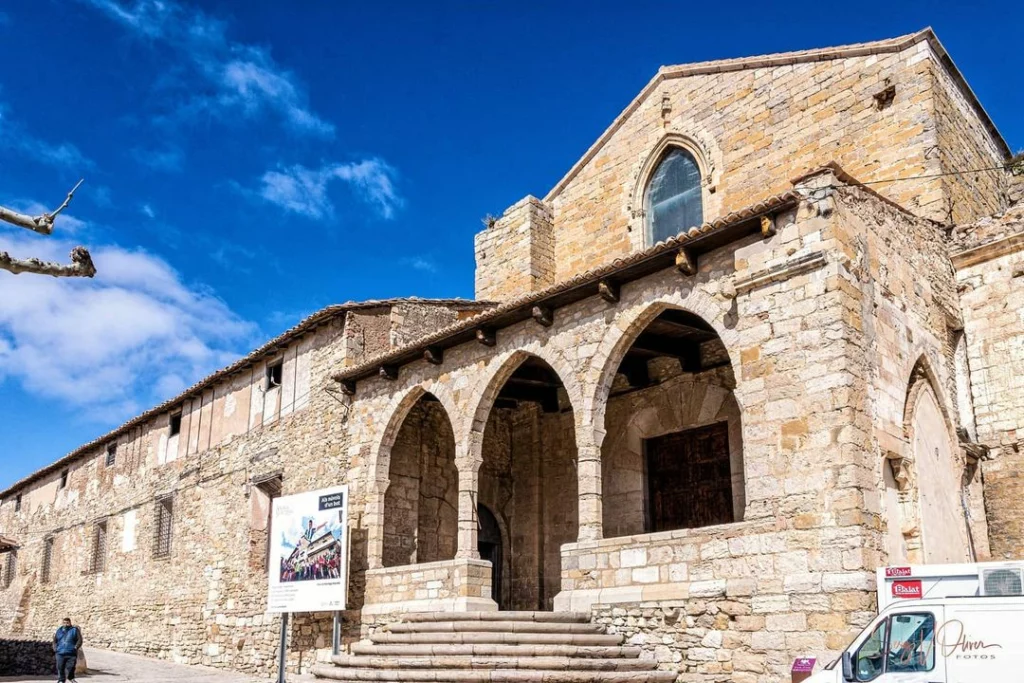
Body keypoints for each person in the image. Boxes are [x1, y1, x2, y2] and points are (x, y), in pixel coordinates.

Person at [53, 617, 82, 683]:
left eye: (67, 623)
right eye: (64, 623)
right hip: (60, 652)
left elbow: (79, 640)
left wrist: (76, 647)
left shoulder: (74, 630)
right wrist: (55, 648)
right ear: (62, 623)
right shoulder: (59, 630)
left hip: (71, 652)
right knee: (60, 667)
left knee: (71, 667)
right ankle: (61, 680)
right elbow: (55, 640)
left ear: (70, 623)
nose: (66, 624)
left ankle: (70, 677)